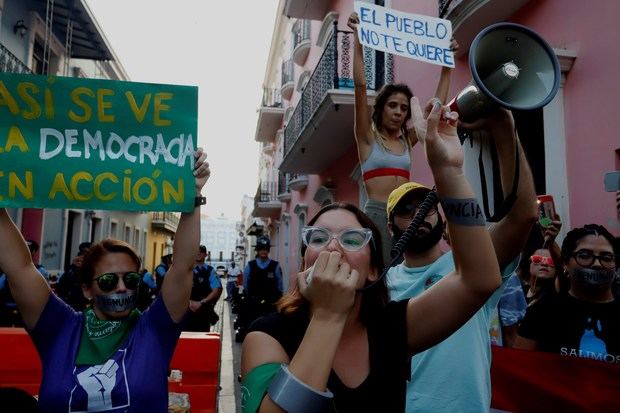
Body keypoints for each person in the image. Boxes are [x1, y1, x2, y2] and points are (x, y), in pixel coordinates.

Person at [239, 98, 502, 412]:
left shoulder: (391, 328)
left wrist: (449, 173)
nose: (333, 247)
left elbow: (479, 280)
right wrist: (328, 315)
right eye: (319, 238)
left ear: (375, 270)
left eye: (351, 239)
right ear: (305, 260)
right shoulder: (268, 334)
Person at [0, 149, 210, 411]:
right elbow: (19, 267)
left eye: (131, 279)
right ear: (87, 289)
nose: (122, 287)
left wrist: (193, 197)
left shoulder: (154, 330)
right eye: (109, 281)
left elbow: (182, 267)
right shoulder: (60, 328)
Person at [385, 105, 538, 412]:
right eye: (405, 210)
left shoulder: (472, 265)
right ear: (391, 227)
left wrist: (505, 130)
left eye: (425, 207)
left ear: (441, 215)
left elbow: (523, 216)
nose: (418, 215)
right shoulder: (381, 283)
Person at [347, 12, 458, 264]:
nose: (398, 112)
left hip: (408, 214)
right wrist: (358, 38)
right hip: (377, 215)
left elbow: (435, 107)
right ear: (381, 108)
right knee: (382, 277)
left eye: (404, 108)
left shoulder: (407, 141)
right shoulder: (367, 138)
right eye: (392, 105)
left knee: (411, 271)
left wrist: (446, 65)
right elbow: (360, 88)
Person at [515, 224, 620, 363]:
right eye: (584, 256)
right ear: (565, 263)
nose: (597, 264)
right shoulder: (543, 312)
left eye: (606, 258)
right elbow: (519, 367)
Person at [241, 236, 283, 328]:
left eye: (266, 249)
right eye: (261, 249)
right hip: (253, 304)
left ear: (268, 250)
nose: (263, 251)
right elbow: (245, 285)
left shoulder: (275, 266)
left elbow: (279, 286)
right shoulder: (250, 266)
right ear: (257, 250)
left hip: (270, 305)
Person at [185, 245, 223, 332]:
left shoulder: (210, 271)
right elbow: (178, 288)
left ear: (206, 255)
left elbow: (216, 290)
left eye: (201, 252)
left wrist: (201, 303)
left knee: (202, 337)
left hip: (203, 310)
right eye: (196, 252)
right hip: (186, 309)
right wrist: (189, 303)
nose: (198, 254)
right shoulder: (186, 269)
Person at [55, 241, 92, 311]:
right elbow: (62, 284)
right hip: (69, 304)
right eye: (82, 253)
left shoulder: (93, 268)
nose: (82, 257)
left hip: (84, 305)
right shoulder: (73, 268)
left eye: (86, 254)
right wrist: (73, 266)